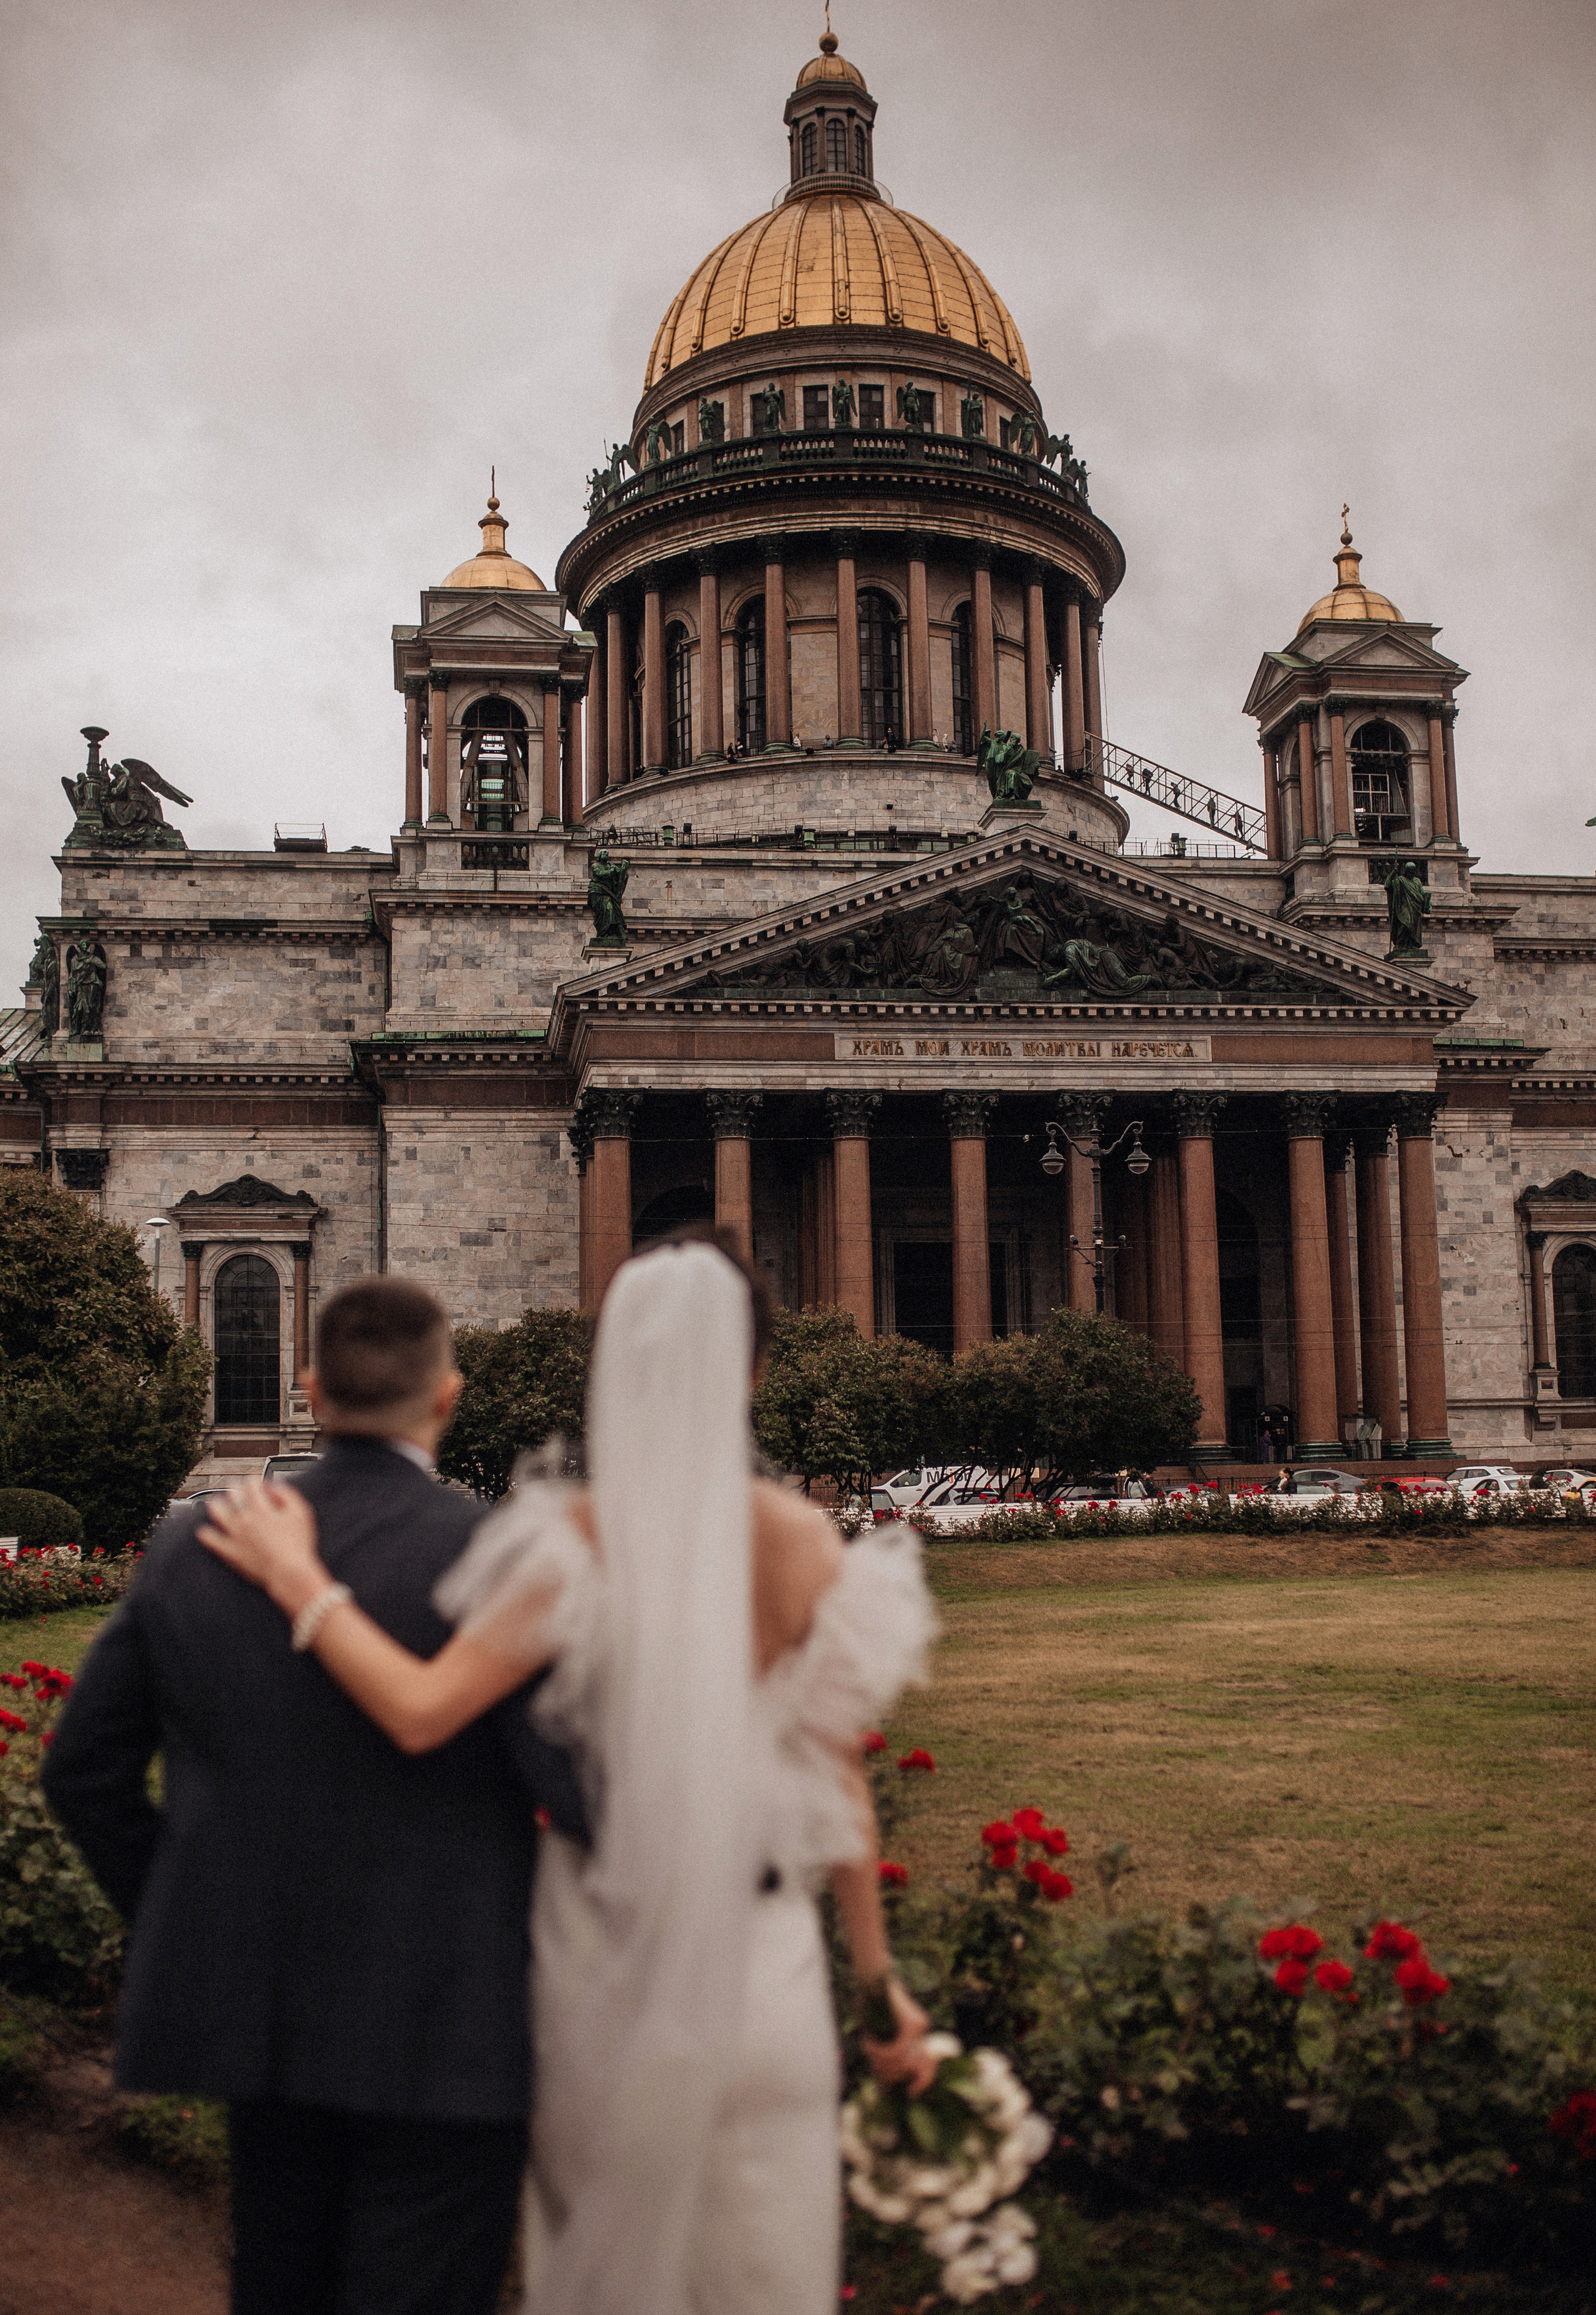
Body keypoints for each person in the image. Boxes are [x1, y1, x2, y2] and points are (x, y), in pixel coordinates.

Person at [196, 1230, 938, 2315]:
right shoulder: (805, 1545)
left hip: (600, 1967)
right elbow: (844, 1794)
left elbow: (419, 1710)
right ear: (755, 1370)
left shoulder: (566, 1545)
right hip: (762, 1961)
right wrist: (879, 1992)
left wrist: (305, 1581)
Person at [44, 1278, 588, 2315]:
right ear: (447, 1396)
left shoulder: (189, 1547)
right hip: (451, 2015)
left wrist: (187, 1914)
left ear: (311, 1388)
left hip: (261, 2006)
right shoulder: (490, 1556)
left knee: (281, 2284)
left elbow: (82, 1772)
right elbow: (574, 1790)